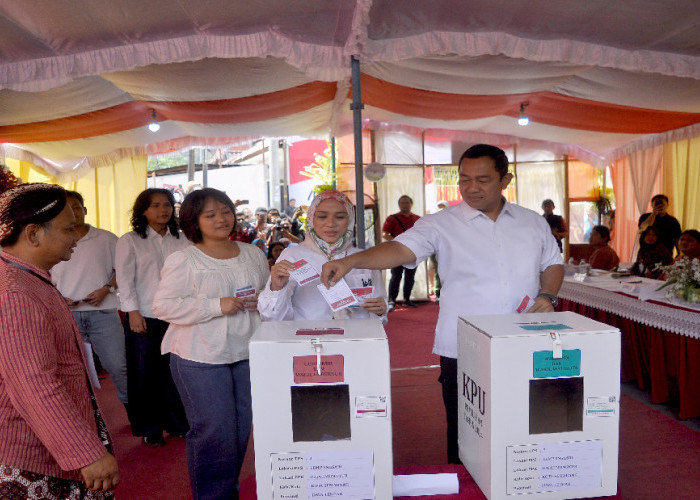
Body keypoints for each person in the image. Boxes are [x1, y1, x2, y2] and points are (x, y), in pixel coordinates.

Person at [320, 145, 563, 463]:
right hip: (463, 346)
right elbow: (398, 249)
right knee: (466, 431)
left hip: (523, 340)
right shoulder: (441, 223)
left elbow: (553, 263)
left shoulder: (532, 222)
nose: (471, 188)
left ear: (506, 179)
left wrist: (548, 296)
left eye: (483, 179)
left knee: (523, 422)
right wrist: (352, 261)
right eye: (464, 179)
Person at [0, 184, 119, 498]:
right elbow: (33, 382)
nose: (75, 238)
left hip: (46, 441)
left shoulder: (27, 277)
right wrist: (85, 453)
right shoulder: (14, 291)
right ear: (34, 234)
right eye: (68, 230)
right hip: (31, 454)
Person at [153, 188, 269, 500]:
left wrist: (269, 298)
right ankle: (213, 496)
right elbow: (162, 306)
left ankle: (226, 491)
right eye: (211, 214)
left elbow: (265, 299)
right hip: (199, 356)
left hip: (247, 352)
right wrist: (218, 305)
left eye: (226, 211)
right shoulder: (184, 259)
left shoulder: (253, 254)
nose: (222, 218)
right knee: (214, 432)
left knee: (240, 431)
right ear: (194, 221)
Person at [115, 188, 190, 447]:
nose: (163, 210)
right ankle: (151, 428)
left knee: (176, 372)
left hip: (178, 316)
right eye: (156, 205)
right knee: (144, 374)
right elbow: (125, 280)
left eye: (167, 204)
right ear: (143, 210)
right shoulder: (130, 240)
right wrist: (132, 312)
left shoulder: (183, 240)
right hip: (144, 315)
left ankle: (178, 423)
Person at [51, 191, 129, 419]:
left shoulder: (106, 238)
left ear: (85, 210)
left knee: (118, 366)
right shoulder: (53, 241)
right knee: (72, 372)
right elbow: (42, 274)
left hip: (103, 313)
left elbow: (122, 270)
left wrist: (107, 289)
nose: (73, 212)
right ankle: (81, 418)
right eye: (67, 208)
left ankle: (136, 416)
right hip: (67, 315)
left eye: (77, 207)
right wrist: (57, 297)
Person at [258, 189, 387, 323]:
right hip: (309, 341)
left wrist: (380, 311)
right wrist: (276, 288)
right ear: (311, 218)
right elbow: (272, 318)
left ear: (350, 220)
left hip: (355, 341)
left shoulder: (363, 259)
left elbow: (380, 313)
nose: (331, 224)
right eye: (322, 216)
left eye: (340, 217)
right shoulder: (293, 256)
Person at [382, 195, 420, 310]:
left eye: (407, 202)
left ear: (411, 204)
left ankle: (406, 299)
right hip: (397, 252)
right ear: (399, 205)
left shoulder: (417, 219)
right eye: (402, 203)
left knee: (410, 276)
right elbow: (385, 234)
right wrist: (398, 241)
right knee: (396, 276)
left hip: (412, 252)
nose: (405, 205)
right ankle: (391, 300)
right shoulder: (392, 218)